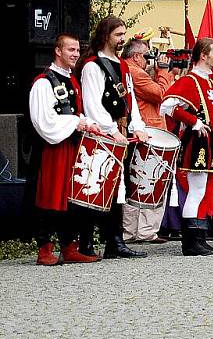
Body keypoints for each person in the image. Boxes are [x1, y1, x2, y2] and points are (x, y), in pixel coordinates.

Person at [78, 15, 148, 259]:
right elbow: (92, 104)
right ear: (106, 35)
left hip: (119, 131)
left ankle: (114, 242)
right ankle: (86, 243)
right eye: (118, 34)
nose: (122, 39)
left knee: (117, 186)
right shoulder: (92, 66)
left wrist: (136, 126)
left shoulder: (123, 65)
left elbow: (130, 102)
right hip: (100, 133)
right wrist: (111, 130)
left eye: (123, 34)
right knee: (94, 185)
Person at [29, 34, 100, 265]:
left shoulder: (72, 80)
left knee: (71, 199)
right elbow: (43, 120)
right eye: (71, 49)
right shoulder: (44, 82)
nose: (76, 54)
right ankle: (44, 249)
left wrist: (88, 123)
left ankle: (69, 247)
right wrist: (75, 123)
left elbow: (74, 114)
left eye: (78, 50)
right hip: (52, 149)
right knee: (50, 196)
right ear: (58, 51)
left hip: (71, 146)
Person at [160, 38, 213, 256]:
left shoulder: (209, 80)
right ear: (203, 55)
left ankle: (199, 237)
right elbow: (168, 106)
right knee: (196, 190)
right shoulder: (190, 80)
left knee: (203, 190)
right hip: (198, 139)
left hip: (210, 139)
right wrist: (194, 121)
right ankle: (190, 242)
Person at [120, 37, 177, 244]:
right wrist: (164, 72)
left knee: (139, 183)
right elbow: (162, 94)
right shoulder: (134, 72)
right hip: (149, 132)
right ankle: (143, 232)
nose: (149, 60)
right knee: (148, 182)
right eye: (147, 56)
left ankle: (137, 232)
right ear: (136, 56)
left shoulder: (132, 70)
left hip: (144, 130)